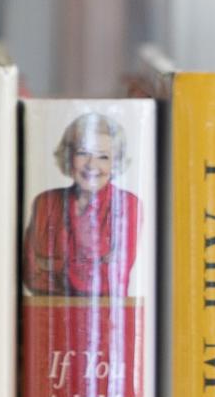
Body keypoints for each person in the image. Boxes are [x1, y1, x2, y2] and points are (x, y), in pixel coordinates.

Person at [23, 108, 141, 297]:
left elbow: (110, 280)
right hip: (45, 314)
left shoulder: (128, 205)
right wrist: (93, 264)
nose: (91, 165)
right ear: (69, 156)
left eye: (103, 156)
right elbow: (30, 274)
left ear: (116, 163)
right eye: (82, 153)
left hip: (107, 319)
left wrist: (50, 265)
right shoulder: (45, 202)